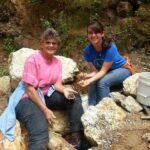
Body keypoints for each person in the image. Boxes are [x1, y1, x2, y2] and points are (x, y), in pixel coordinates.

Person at [15, 28, 84, 150]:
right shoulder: (33, 60)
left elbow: (57, 84)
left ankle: (75, 137)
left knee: (74, 97)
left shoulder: (57, 62)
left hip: (46, 94)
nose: (51, 45)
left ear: (57, 45)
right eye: (48, 42)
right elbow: (29, 89)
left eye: (54, 43)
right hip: (27, 99)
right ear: (42, 43)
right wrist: (45, 110)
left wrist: (64, 90)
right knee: (40, 132)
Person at [78, 20, 135, 105]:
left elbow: (103, 71)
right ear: (87, 35)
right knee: (93, 81)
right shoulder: (87, 51)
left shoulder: (110, 47)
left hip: (122, 69)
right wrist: (86, 76)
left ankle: (104, 109)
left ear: (102, 34)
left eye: (96, 32)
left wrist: (88, 81)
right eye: (90, 33)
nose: (93, 35)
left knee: (102, 82)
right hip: (108, 71)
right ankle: (91, 107)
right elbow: (95, 72)